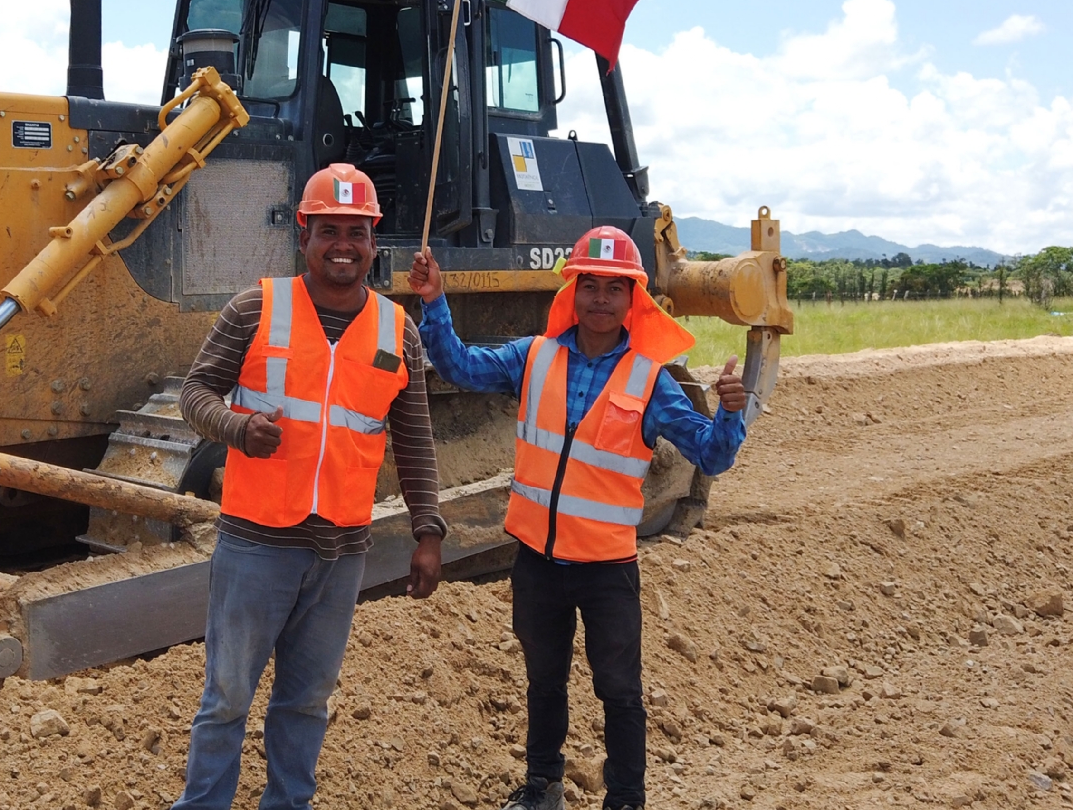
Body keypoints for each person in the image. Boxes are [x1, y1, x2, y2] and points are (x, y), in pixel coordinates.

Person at [408, 227, 747, 810]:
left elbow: (711, 454)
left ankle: (627, 799)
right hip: (538, 560)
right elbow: (459, 366)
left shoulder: (651, 382)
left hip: (607, 568)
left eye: (614, 289)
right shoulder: (533, 356)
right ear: (573, 289)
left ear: (633, 300)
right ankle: (542, 788)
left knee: (619, 690)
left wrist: (731, 413)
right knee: (544, 681)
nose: (599, 299)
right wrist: (435, 301)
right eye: (589, 284)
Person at [172, 163, 446, 810]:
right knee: (227, 697)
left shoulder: (396, 329)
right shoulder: (254, 307)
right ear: (305, 233)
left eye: (357, 231)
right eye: (329, 230)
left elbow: (414, 439)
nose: (343, 244)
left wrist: (428, 529)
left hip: (342, 551)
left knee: (306, 701)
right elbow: (194, 394)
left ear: (373, 240)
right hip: (255, 544)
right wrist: (236, 427)